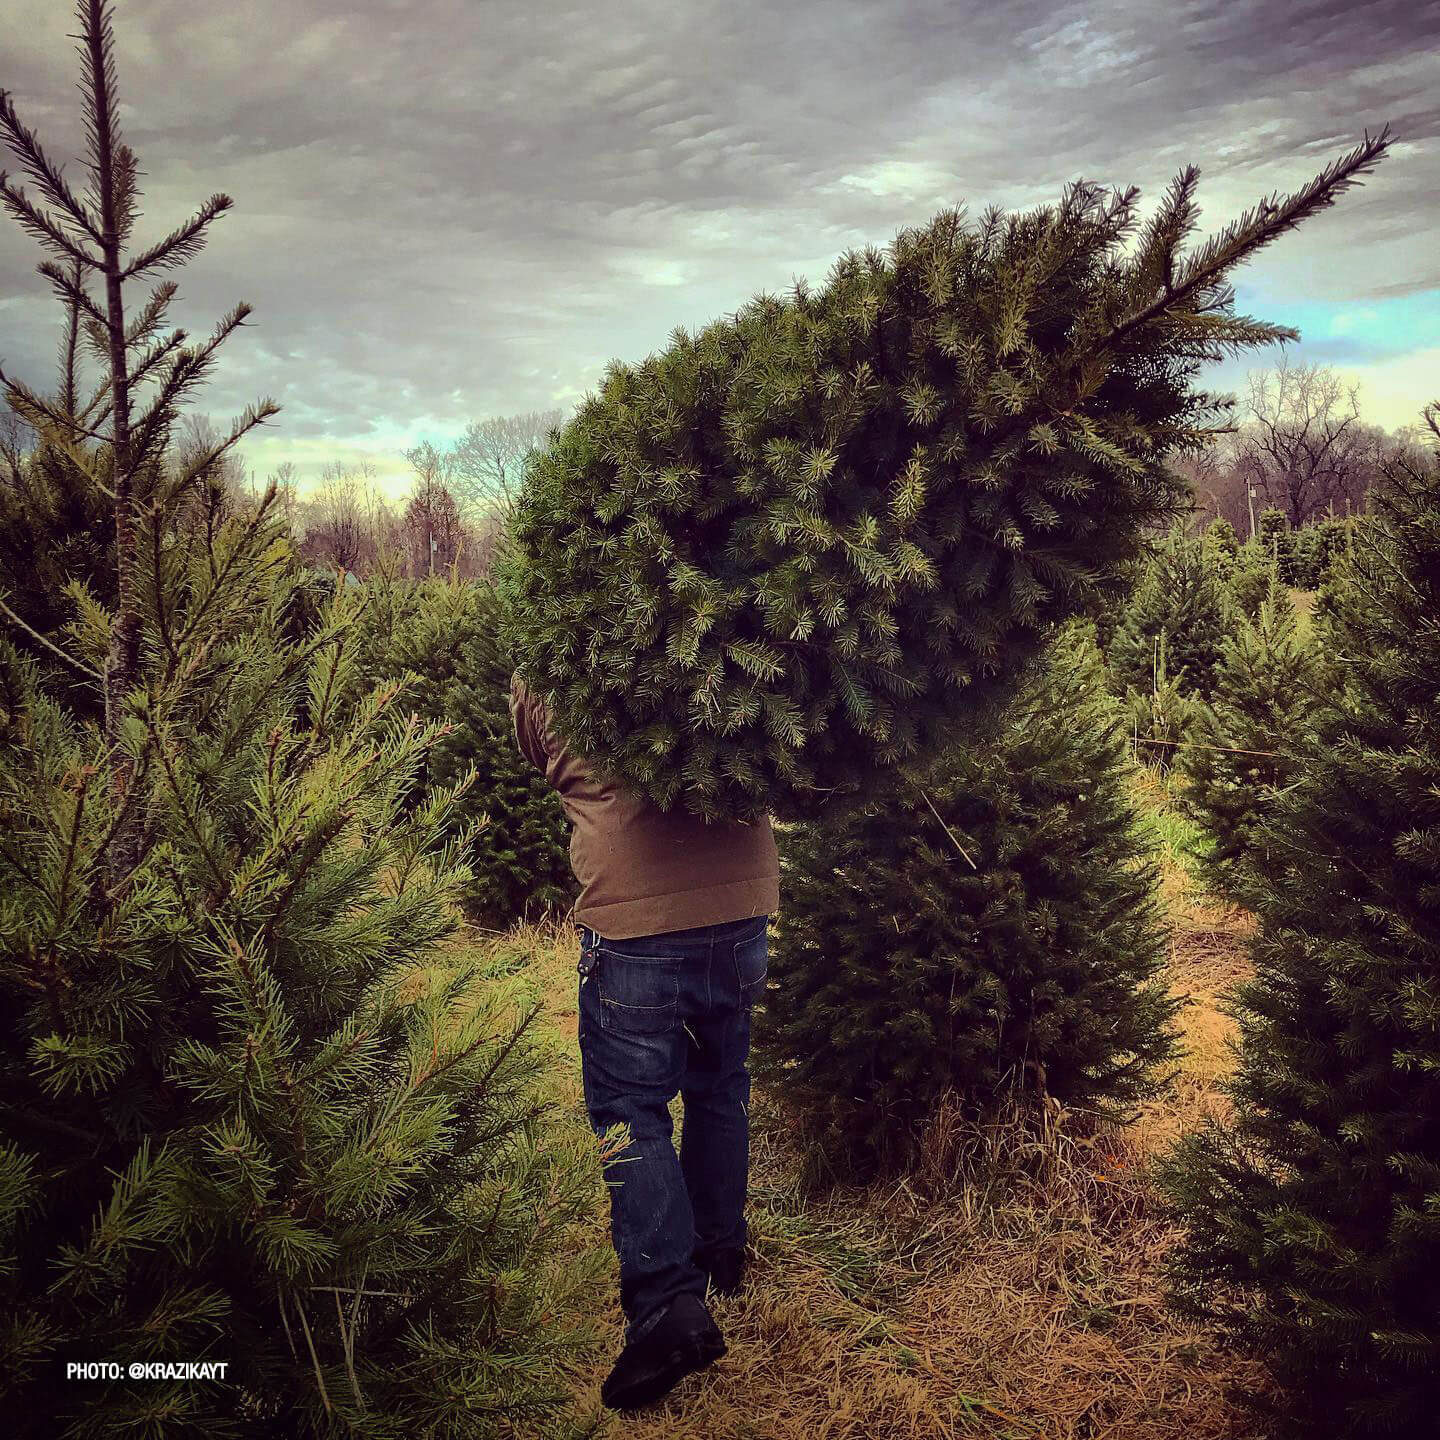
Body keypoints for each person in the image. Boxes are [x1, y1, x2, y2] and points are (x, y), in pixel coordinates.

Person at [508, 669, 780, 1413]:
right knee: (720, 1084)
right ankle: (719, 1251)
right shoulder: (725, 633)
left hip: (635, 920)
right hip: (740, 904)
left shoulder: (563, 646)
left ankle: (666, 1305)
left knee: (630, 1107)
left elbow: (537, 739)